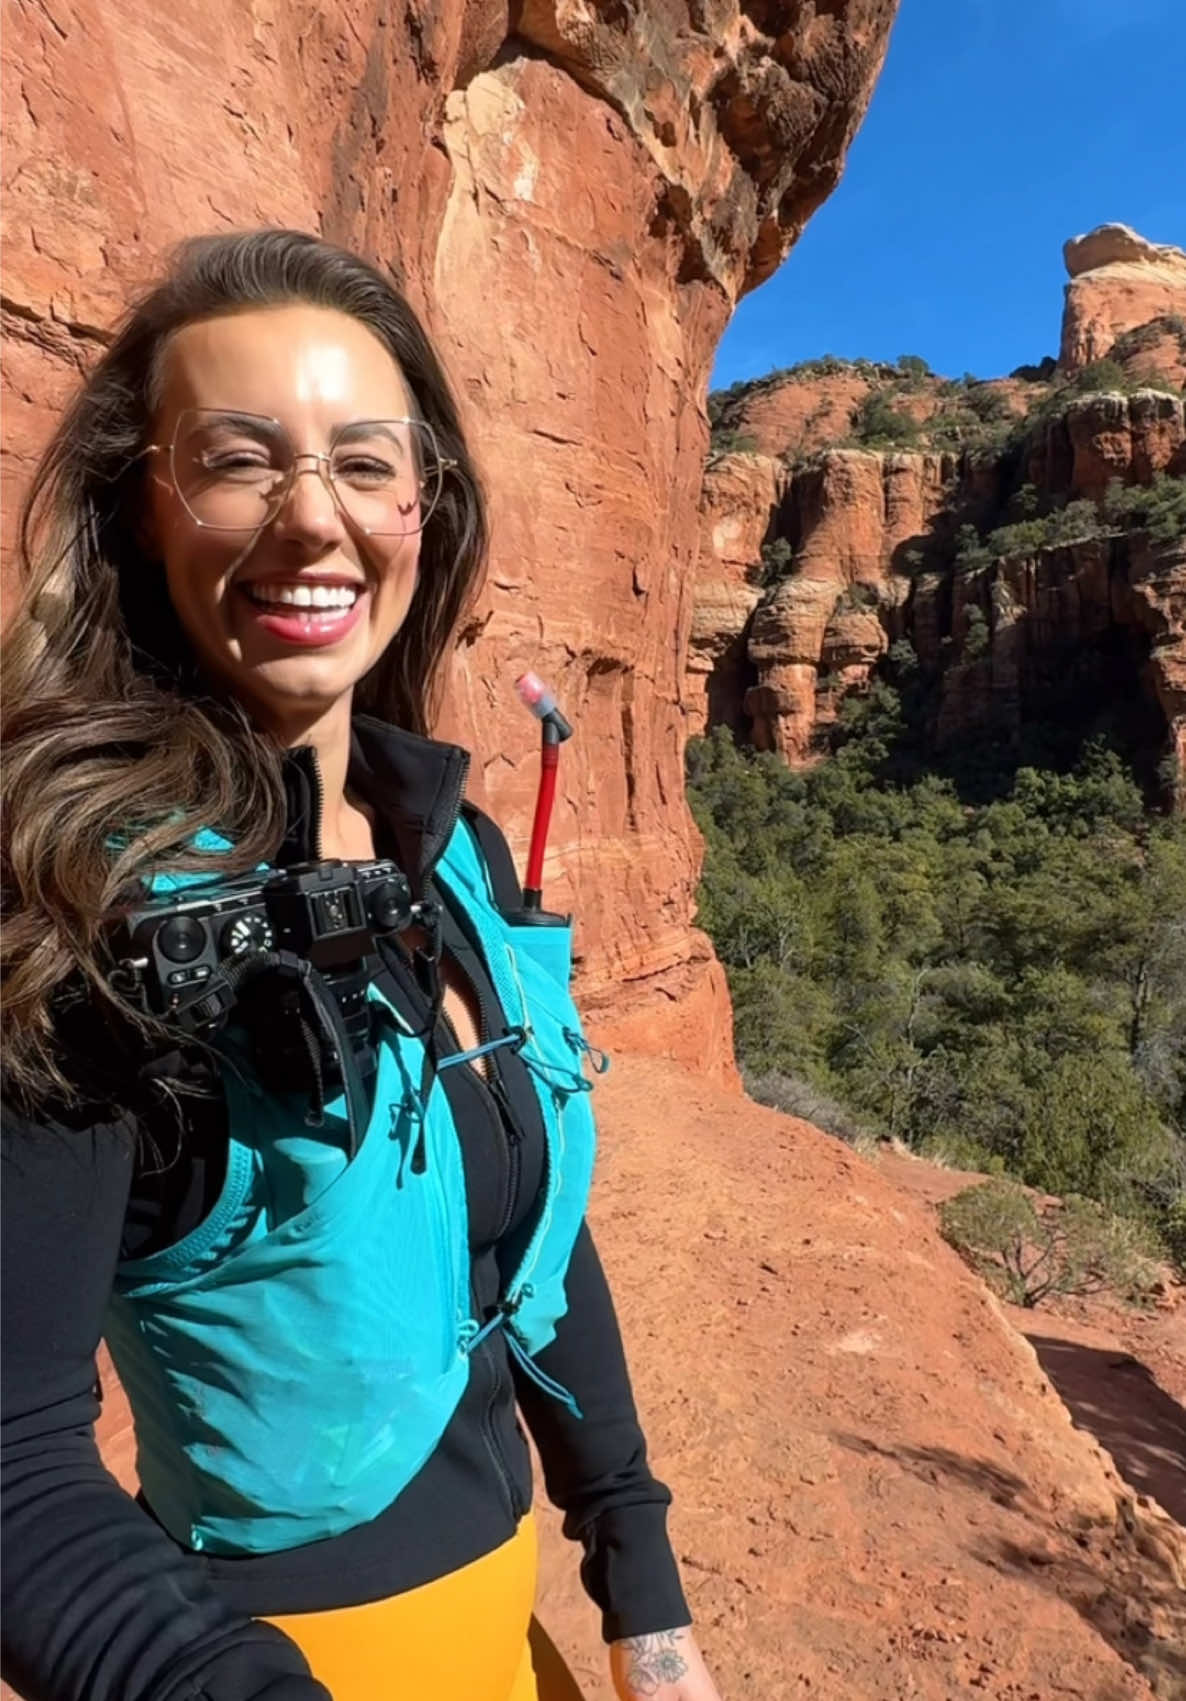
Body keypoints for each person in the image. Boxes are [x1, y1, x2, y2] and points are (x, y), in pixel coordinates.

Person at [0, 229, 724, 1701]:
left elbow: (527, 1235)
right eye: (240, 460)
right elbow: (10, 1459)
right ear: (143, 507)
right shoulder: (87, 913)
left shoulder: (448, 853)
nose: (309, 520)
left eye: (366, 462)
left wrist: (642, 1596)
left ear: (426, 506)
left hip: (501, 1629)